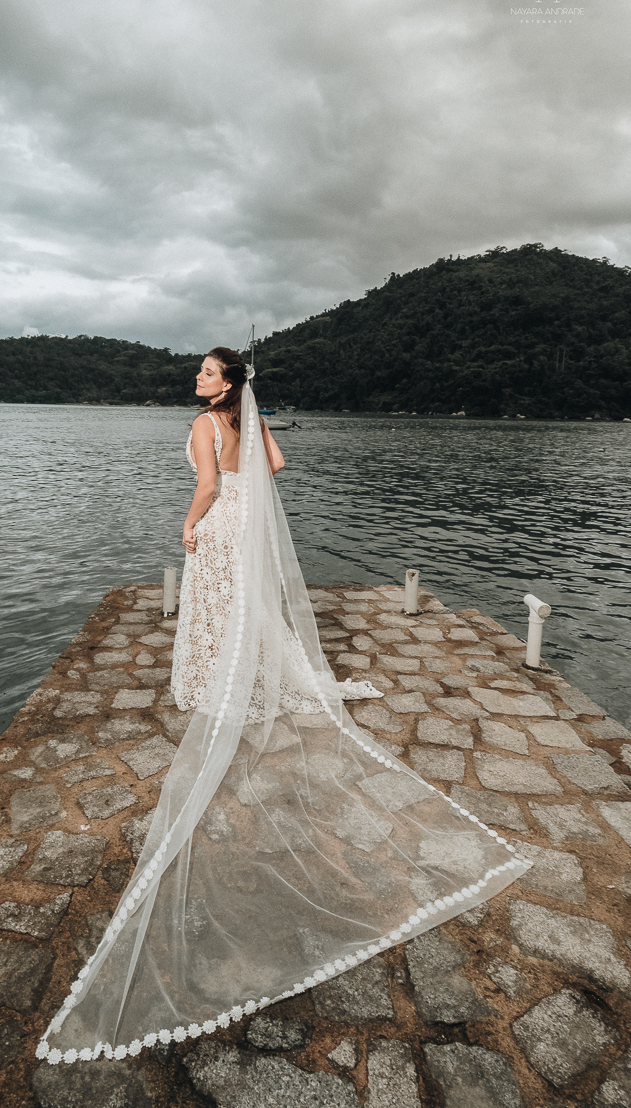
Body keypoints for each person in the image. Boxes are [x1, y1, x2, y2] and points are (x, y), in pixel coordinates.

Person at [38, 348, 531, 1065]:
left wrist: (186, 524)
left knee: (217, 610)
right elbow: (272, 468)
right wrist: (252, 419)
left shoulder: (204, 424)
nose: (198, 380)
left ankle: (216, 677)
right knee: (247, 610)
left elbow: (209, 485)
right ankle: (249, 672)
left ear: (227, 383)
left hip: (221, 528)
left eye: (208, 373)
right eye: (201, 374)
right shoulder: (246, 417)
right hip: (254, 530)